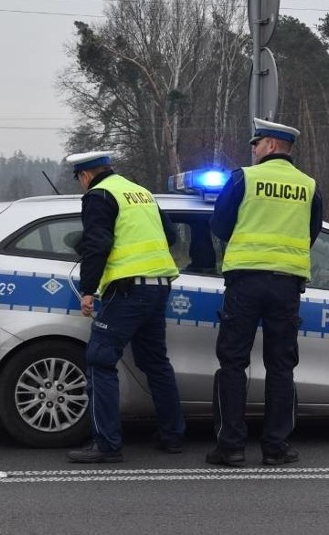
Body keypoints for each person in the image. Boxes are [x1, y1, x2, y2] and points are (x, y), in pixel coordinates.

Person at [206, 118, 323, 467]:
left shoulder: (245, 178)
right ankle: (276, 447)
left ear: (271, 145)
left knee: (232, 362)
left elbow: (219, 225)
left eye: (255, 144)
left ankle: (231, 446)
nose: (253, 150)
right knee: (281, 366)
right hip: (286, 285)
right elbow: (311, 233)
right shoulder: (309, 185)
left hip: (245, 282)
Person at [64, 150, 186, 464]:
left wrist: (88, 290)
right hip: (159, 287)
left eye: (80, 180)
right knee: (156, 362)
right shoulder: (140, 192)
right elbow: (170, 235)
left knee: (100, 360)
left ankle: (106, 444)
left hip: (128, 290)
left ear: (86, 175)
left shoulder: (99, 195)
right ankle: (172, 436)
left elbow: (97, 245)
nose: (82, 186)